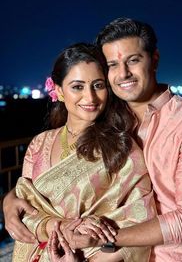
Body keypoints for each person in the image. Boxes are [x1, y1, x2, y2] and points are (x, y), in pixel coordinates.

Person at [3, 17, 182, 261]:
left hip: (172, 255)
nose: (123, 73)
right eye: (113, 65)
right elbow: (56, 179)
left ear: (155, 59)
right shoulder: (107, 117)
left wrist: (100, 237)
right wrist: (11, 199)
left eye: (133, 60)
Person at [8, 42, 156, 261]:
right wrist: (56, 226)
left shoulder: (122, 148)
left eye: (98, 85)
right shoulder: (39, 144)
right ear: (58, 90)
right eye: (77, 87)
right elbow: (24, 205)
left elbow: (138, 221)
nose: (90, 98)